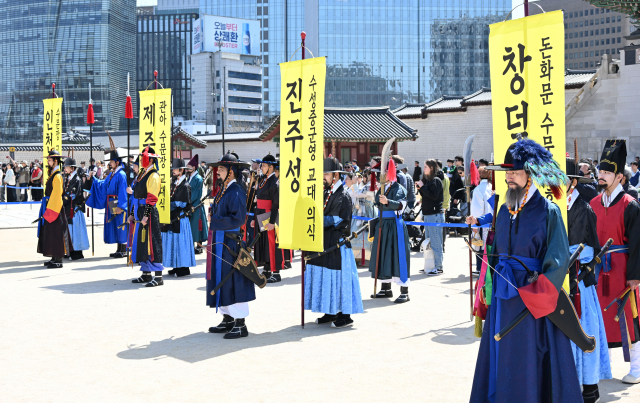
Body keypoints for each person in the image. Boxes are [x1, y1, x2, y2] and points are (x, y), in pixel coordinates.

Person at [469, 138, 583, 402]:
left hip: (532, 303)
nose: (508, 177)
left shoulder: (548, 212)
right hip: (502, 298)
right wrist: (486, 287)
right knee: (500, 355)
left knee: (528, 359)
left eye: (514, 172)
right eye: (506, 172)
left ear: (529, 174)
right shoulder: (503, 210)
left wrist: (537, 296)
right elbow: (495, 255)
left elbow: (557, 261)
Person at [589, 140, 640, 385]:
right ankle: (602, 366)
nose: (601, 175)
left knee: (630, 316)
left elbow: (638, 244)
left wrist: (635, 275)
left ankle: (637, 368)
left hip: (623, 267)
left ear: (619, 176)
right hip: (599, 269)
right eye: (600, 171)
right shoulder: (593, 204)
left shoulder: (630, 205)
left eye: (607, 172)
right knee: (599, 315)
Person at [565, 157, 612, 402]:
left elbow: (587, 249)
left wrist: (564, 257)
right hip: (559, 278)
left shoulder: (582, 208)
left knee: (583, 330)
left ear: (572, 182)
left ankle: (588, 387)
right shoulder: (555, 205)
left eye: (561, 180)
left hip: (578, 280)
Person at [305, 156, 364, 328]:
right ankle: (330, 311)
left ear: (335, 176)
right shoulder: (326, 192)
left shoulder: (343, 195)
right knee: (325, 275)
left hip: (337, 244)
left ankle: (345, 315)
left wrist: (315, 220)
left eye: (325, 173)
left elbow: (338, 220)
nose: (322, 176)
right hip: (325, 241)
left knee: (337, 278)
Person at [206, 153, 254, 339]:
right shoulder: (225, 189)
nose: (218, 172)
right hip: (220, 240)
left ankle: (240, 323)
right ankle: (227, 318)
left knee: (233, 279)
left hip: (231, 243)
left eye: (223, 169)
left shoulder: (237, 192)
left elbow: (238, 219)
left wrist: (215, 220)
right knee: (221, 278)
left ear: (232, 172)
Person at [368, 156, 411, 303]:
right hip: (382, 224)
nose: (381, 175)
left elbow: (401, 205)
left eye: (383, 172)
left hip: (394, 225)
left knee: (398, 256)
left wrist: (388, 201)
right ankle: (385, 287)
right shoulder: (382, 188)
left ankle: (404, 290)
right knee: (383, 255)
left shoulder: (398, 188)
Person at [129, 147, 165, 287]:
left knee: (153, 241)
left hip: (148, 212)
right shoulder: (143, 174)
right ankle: (146, 273)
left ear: (150, 159)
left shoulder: (153, 176)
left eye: (142, 158)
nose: (140, 161)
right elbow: (136, 196)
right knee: (142, 243)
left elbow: (152, 198)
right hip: (139, 210)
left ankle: (158, 276)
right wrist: (132, 214)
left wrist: (145, 216)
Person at [85, 147, 129, 258]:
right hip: (111, 201)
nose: (110, 164)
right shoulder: (112, 174)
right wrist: (94, 178)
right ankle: (118, 249)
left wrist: (121, 206)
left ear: (117, 162)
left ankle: (123, 249)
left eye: (111, 162)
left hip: (117, 201)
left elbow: (123, 191)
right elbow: (103, 184)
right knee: (114, 224)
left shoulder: (121, 174)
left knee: (120, 224)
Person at [162, 158, 196, 278]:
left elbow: (181, 203)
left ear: (181, 170)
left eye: (175, 169)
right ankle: (176, 265)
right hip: (173, 216)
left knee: (181, 242)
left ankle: (183, 268)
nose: (173, 171)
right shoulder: (174, 183)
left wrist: (168, 204)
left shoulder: (185, 185)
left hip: (181, 218)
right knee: (173, 241)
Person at [251, 153, 281, 283]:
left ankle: (276, 272)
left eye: (263, 166)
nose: (261, 167)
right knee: (263, 243)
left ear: (270, 167)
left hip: (270, 214)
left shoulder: (275, 181)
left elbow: (276, 204)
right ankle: (267, 269)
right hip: (261, 212)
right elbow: (256, 200)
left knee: (272, 243)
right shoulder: (263, 180)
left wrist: (272, 222)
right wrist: (254, 217)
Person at [37, 150, 70, 269]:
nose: (48, 162)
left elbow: (57, 194)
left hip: (55, 208)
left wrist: (51, 211)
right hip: (50, 206)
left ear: (55, 161)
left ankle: (58, 259)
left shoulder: (58, 175)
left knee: (56, 234)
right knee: (51, 233)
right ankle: (54, 257)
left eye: (49, 160)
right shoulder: (53, 174)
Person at [416, 159, 444, 276]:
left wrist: (422, 187)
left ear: (432, 168)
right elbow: (426, 195)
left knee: (435, 241)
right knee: (427, 241)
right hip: (428, 214)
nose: (424, 169)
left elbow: (433, 195)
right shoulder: (428, 181)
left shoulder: (436, 180)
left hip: (435, 215)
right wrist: (421, 187)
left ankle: (438, 266)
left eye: (426, 167)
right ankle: (430, 265)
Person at [62, 157, 89, 261]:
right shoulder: (69, 178)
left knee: (76, 232)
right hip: (69, 208)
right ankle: (70, 251)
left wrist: (62, 200)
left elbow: (72, 195)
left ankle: (77, 253)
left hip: (75, 209)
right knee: (70, 231)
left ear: (72, 168)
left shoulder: (76, 180)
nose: (65, 169)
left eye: (67, 167)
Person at [468, 167, 494, 276]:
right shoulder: (492, 188)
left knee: (479, 247)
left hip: (481, 223)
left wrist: (474, 225)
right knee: (489, 248)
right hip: (491, 223)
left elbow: (476, 210)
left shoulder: (479, 189)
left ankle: (480, 269)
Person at [186, 155, 209, 254]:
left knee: (198, 226)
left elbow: (197, 193)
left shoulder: (198, 178)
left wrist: (190, 203)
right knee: (192, 226)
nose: (187, 168)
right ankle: (192, 246)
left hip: (196, 205)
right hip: (190, 204)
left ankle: (199, 247)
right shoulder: (190, 177)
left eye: (189, 167)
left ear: (194, 167)